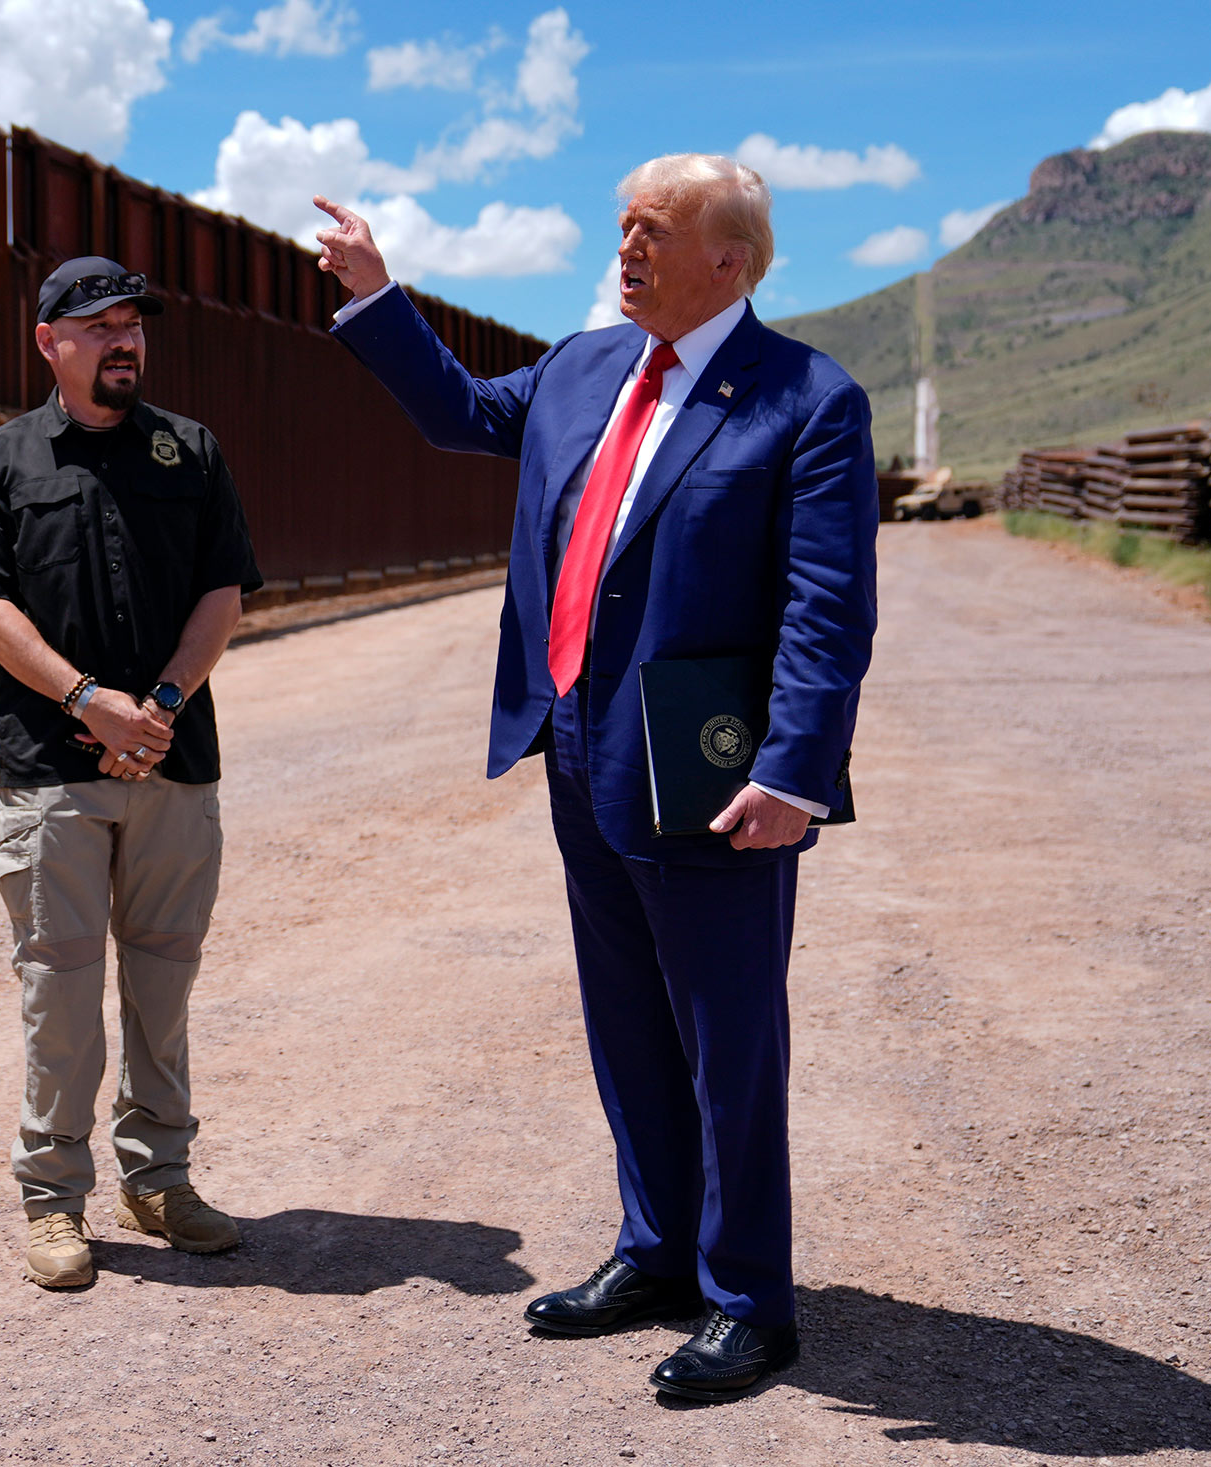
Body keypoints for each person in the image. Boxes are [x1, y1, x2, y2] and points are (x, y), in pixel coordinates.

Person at [314, 155, 876, 1401]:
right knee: (625, 1023)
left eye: (651, 230)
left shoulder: (806, 400)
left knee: (728, 1038)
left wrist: (794, 768)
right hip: (579, 746)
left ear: (727, 261)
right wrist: (373, 295)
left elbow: (825, 611)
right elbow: (461, 412)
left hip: (713, 766)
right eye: (619, 226)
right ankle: (657, 1251)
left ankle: (749, 1300)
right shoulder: (580, 368)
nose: (624, 248)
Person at [0, 256, 263, 1289]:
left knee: (161, 992)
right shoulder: (5, 460)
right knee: (61, 999)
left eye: (133, 324)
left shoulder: (191, 450)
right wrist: (89, 702)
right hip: (52, 771)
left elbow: (222, 593)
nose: (123, 340)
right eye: (98, 325)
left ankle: (159, 1180)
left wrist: (158, 706)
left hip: (174, 762)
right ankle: (53, 1203)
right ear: (49, 342)